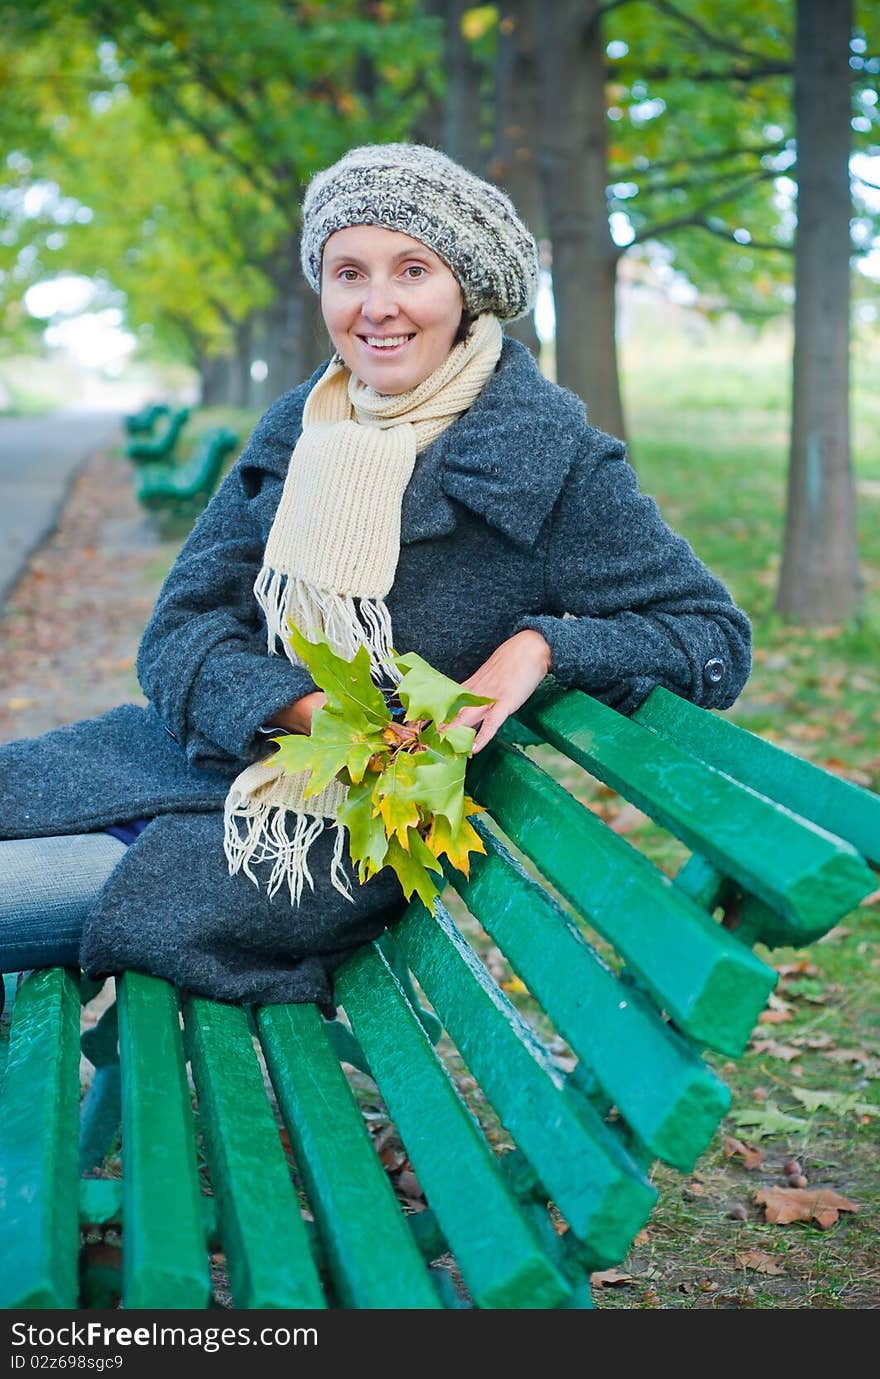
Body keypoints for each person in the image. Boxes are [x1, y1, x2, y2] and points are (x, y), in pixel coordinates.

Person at [0, 144, 751, 1014]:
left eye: (412, 269)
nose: (377, 305)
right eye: (347, 271)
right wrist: (311, 714)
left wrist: (540, 645)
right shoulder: (305, 422)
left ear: (464, 287)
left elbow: (714, 639)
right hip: (186, 764)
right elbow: (179, 634)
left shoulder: (548, 457)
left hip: (305, 845)